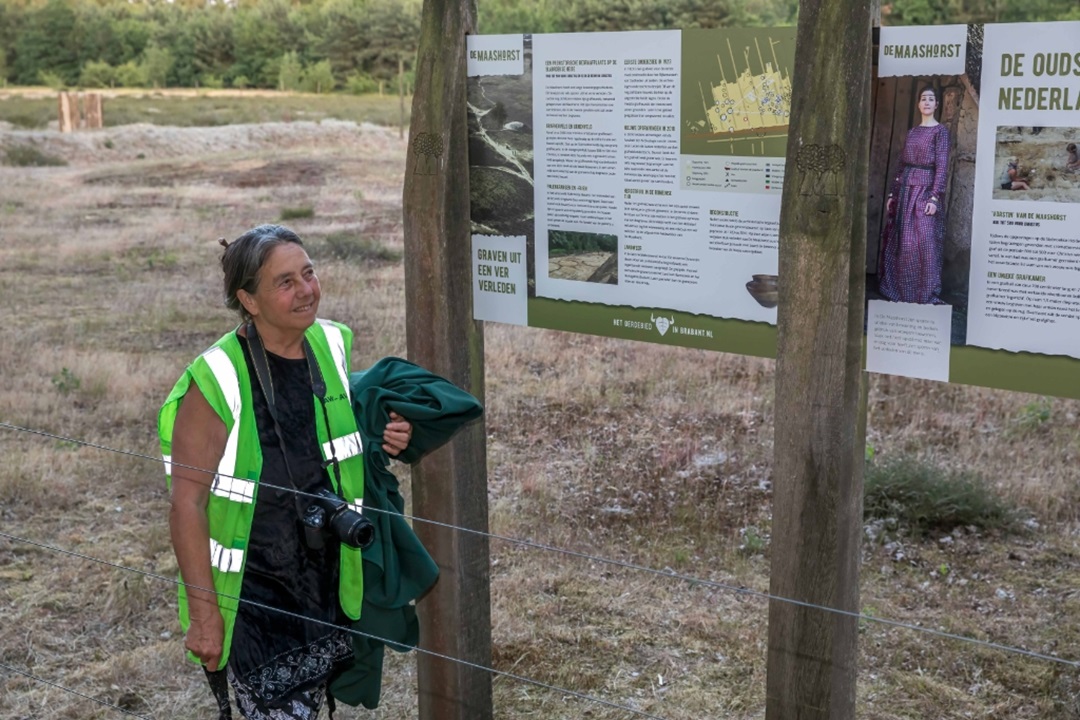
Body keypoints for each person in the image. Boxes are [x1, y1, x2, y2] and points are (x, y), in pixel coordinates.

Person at [159, 224, 413, 720]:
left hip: (325, 582)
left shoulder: (330, 343)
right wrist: (205, 615)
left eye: (309, 273)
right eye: (285, 282)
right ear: (248, 301)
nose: (306, 290)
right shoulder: (218, 377)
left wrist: (383, 433)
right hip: (256, 599)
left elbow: (337, 427)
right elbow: (185, 503)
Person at [879, 86, 951, 305]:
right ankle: (900, 292)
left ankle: (925, 293)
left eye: (931, 99)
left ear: (937, 105)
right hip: (905, 192)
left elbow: (942, 167)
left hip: (926, 190)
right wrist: (893, 192)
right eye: (923, 99)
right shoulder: (912, 132)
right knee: (903, 242)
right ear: (918, 104)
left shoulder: (941, 132)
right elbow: (902, 165)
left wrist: (934, 197)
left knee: (926, 242)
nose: (927, 103)